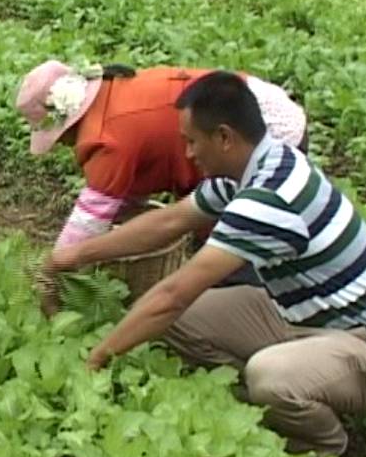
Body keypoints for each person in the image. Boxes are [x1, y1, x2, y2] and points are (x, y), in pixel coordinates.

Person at [45, 71, 366, 457]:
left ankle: (322, 443)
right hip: (296, 315)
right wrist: (77, 254)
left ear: (224, 137)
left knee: (269, 376)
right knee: (174, 322)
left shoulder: (270, 197)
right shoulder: (251, 166)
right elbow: (170, 221)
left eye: (192, 142)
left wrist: (95, 360)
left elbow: (174, 294)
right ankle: (266, 395)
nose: (187, 153)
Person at [16, 61, 308, 314]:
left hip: (262, 129)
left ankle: (256, 312)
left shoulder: (107, 138)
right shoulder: (112, 91)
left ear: (66, 123)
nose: (62, 145)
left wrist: (49, 278)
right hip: (246, 104)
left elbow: (87, 224)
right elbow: (138, 172)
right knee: (217, 227)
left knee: (238, 249)